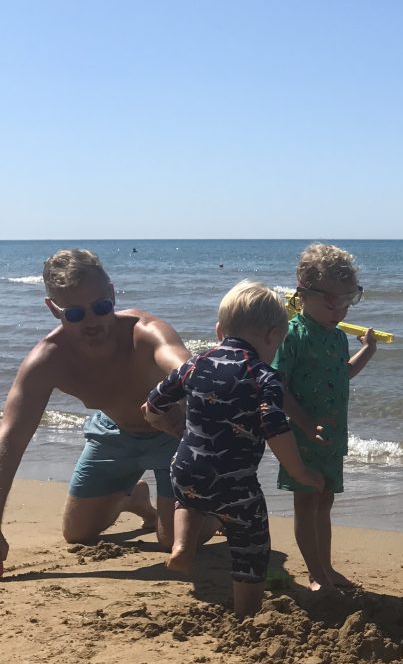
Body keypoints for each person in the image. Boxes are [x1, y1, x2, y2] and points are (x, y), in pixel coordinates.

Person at [0, 248, 192, 574]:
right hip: (114, 432)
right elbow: (10, 441)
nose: (91, 321)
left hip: (173, 435)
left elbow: (193, 375)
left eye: (101, 307)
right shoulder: (48, 360)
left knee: (169, 539)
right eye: (75, 313)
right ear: (53, 308)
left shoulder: (146, 334)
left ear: (112, 293)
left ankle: (217, 508)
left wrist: (185, 407)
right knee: (77, 534)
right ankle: (131, 498)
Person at [143, 281, 324, 617]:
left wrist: (160, 420)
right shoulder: (264, 377)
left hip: (186, 470)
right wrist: (299, 470)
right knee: (251, 546)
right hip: (234, 482)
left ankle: (183, 546)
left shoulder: (195, 364)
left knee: (189, 499)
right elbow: (275, 427)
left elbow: (154, 402)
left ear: (219, 330)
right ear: (273, 336)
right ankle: (247, 614)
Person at [274, 244, 378, 593]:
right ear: (302, 293)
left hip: (332, 435)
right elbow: (278, 386)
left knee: (325, 501)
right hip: (301, 436)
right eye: (330, 300)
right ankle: (315, 573)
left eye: (347, 299)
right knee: (306, 502)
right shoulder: (292, 334)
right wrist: (302, 421)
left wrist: (367, 351)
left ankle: (327, 567)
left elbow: (341, 374)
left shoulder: (336, 337)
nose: (339, 308)